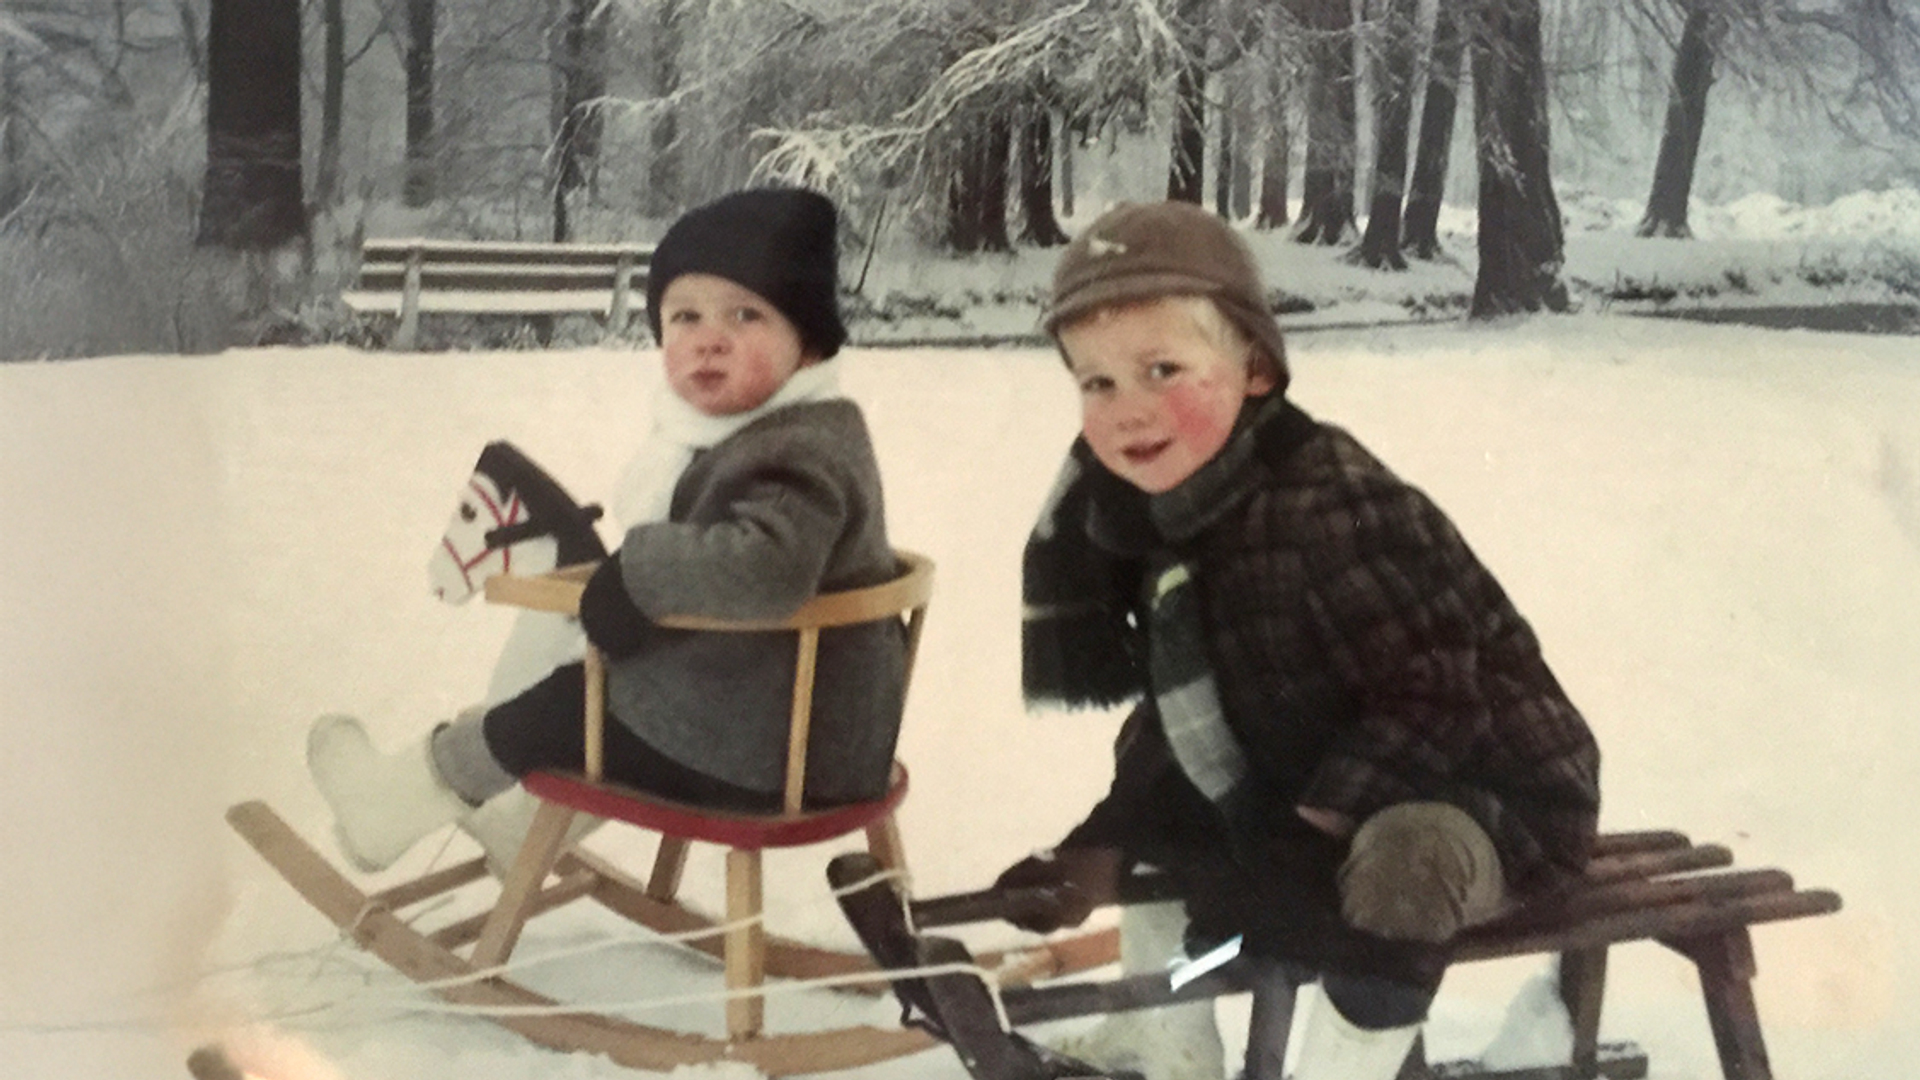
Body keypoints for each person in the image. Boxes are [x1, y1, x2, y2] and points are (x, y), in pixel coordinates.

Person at [994, 201, 1602, 1080]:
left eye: (1163, 368)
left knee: (1404, 862)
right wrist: (1100, 848)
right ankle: (1173, 1050)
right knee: (1187, 848)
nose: (1129, 410)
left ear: (1255, 370)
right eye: (1098, 383)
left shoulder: (1336, 505)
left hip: (1486, 796)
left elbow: (1435, 700)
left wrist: (1307, 834)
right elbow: (1183, 722)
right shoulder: (1164, 519)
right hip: (1316, 783)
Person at [307, 188, 907, 875]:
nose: (710, 337)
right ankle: (516, 824)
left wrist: (638, 569)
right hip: (785, 727)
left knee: (562, 709)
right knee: (595, 688)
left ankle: (389, 807)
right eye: (685, 317)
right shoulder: (790, 432)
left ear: (808, 346)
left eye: (747, 315)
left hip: (767, 754)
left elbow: (766, 569)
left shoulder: (795, 452)